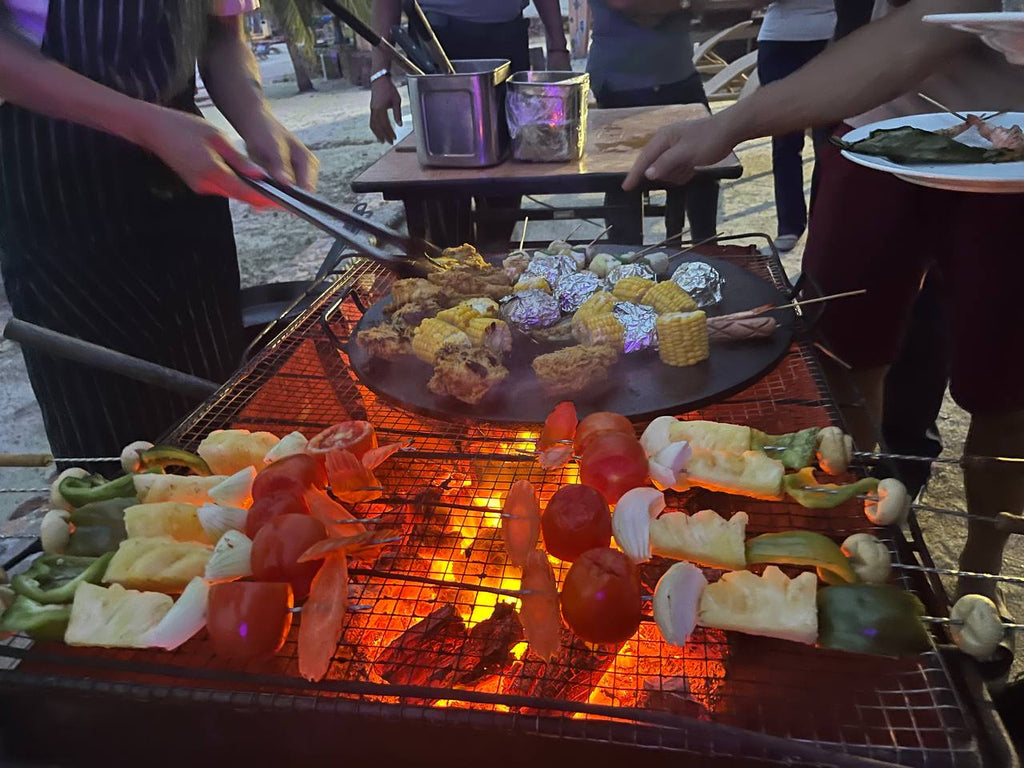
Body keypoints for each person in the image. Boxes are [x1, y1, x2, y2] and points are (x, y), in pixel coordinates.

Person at [625, 0, 1024, 601]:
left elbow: (933, 28)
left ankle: (982, 572)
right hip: (876, 124)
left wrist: (730, 124)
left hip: (1011, 142)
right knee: (841, 352)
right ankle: (856, 530)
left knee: (1005, 393)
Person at [0, 1, 318, 461]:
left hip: (183, 188)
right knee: (113, 457)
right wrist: (144, 124)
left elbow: (222, 33)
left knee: (215, 429)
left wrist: (256, 117)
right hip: (59, 193)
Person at [368, 0, 569, 247]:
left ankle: (494, 263)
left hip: (508, 39)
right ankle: (449, 266)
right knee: (443, 190)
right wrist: (379, 74)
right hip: (439, 39)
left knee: (505, 182)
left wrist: (559, 48)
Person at [586, 0, 719, 245]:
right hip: (621, 81)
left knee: (704, 170)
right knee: (624, 178)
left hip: (679, 74)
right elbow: (630, 5)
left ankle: (707, 254)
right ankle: (624, 263)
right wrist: (684, 4)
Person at [756, 0, 835, 251]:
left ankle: (824, 226)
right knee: (785, 139)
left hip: (833, 38)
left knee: (830, 142)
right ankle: (790, 225)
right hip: (780, 40)